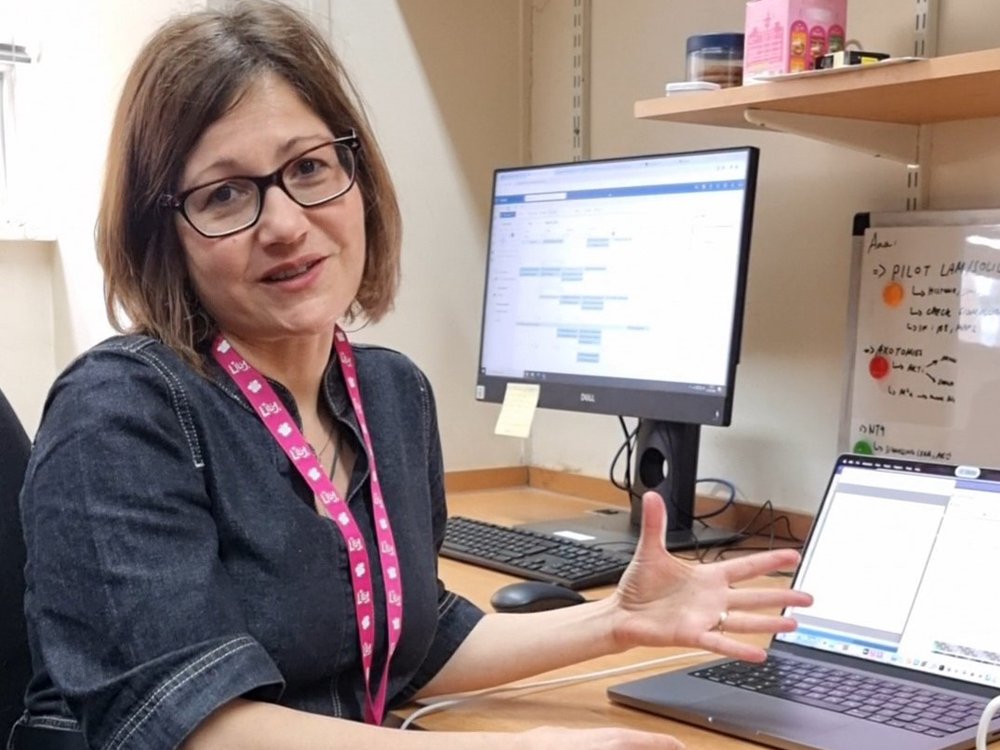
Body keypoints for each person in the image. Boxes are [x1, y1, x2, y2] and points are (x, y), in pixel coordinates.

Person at [12, 2, 812, 749]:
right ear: (165, 233)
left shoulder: (390, 395)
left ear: (355, 174)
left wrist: (616, 621)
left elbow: (403, 644)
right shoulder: (121, 414)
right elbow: (195, 728)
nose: (287, 224)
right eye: (225, 195)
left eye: (309, 167)